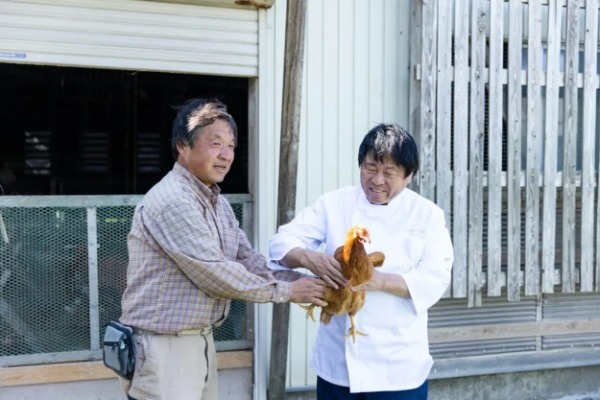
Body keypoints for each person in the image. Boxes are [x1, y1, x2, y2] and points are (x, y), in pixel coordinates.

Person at [119, 98, 328, 400]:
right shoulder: (173, 200)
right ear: (183, 146)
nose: (226, 155)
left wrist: (304, 283)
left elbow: (248, 260)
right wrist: (291, 292)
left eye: (231, 146)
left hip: (198, 343)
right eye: (215, 143)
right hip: (164, 350)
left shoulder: (217, 203)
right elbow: (214, 272)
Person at [269, 123, 454, 399]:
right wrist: (310, 259)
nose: (377, 180)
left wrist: (378, 281)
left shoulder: (427, 215)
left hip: (397, 366)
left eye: (389, 172)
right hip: (338, 364)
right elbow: (280, 243)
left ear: (409, 176)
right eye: (370, 168)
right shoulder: (334, 204)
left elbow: (435, 278)